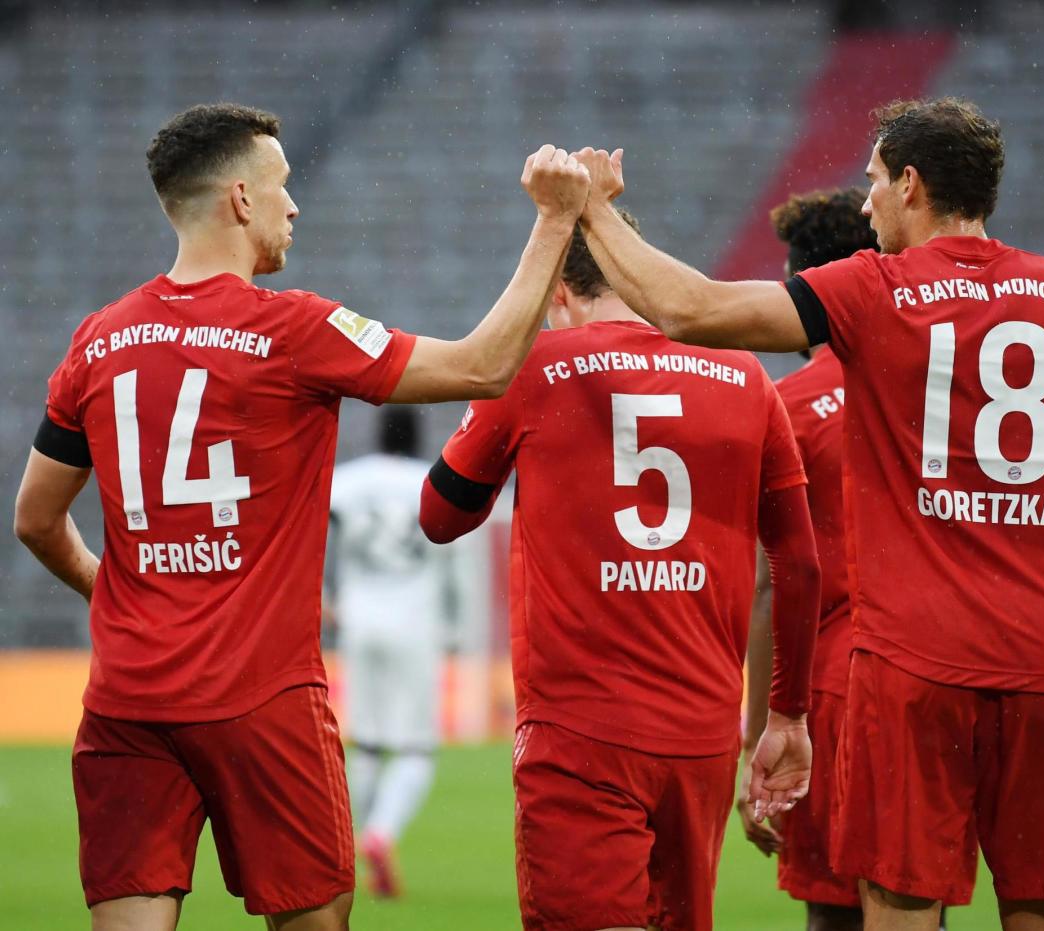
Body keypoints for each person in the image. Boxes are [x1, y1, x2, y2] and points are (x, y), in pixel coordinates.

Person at [568, 97, 1044, 931]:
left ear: (911, 184)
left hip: (914, 670)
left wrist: (593, 211)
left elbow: (692, 309)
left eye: (874, 183)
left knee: (900, 910)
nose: (864, 203)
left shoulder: (877, 290)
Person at [12, 102, 588, 931]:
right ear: (240, 199)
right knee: (314, 920)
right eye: (282, 187)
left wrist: (116, 596)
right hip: (263, 696)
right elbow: (484, 366)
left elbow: (35, 517)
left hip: (128, 699)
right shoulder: (296, 329)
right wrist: (554, 220)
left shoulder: (97, 341)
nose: (294, 206)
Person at [418, 211, 822, 931]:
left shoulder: (534, 368)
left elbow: (440, 516)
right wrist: (786, 712)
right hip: (700, 741)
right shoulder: (745, 375)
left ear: (556, 295)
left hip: (581, 729)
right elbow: (797, 562)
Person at [737, 187, 876, 931]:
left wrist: (757, 727)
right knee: (918, 891)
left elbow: (770, 582)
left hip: (831, 684)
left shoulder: (785, 405)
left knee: (836, 908)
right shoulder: (929, 391)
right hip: (938, 670)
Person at [328, 407, 449, 898]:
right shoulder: (430, 480)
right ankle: (381, 834)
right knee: (417, 747)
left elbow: (312, 524)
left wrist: (321, 596)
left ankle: (342, 845)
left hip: (359, 620)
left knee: (370, 742)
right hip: (415, 623)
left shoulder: (349, 481)